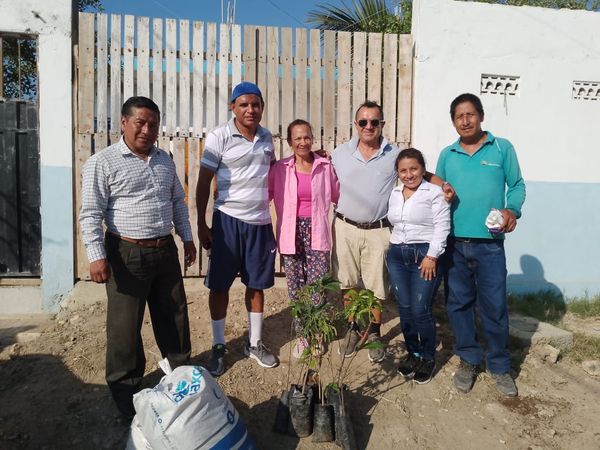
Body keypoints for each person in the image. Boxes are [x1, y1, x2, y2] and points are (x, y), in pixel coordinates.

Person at [79, 96, 196, 420]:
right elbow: (90, 214)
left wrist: (187, 238)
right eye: (140, 123)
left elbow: (177, 201)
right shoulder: (103, 162)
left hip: (164, 251)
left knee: (175, 316)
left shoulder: (164, 160)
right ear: (124, 123)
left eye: (153, 125)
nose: (147, 130)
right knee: (125, 328)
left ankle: (180, 376)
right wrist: (96, 256)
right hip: (125, 253)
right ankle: (126, 394)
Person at [332, 101, 452, 363]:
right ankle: (353, 327)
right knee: (347, 282)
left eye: (374, 122)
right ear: (355, 125)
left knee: (377, 286)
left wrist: (444, 185)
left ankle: (374, 331)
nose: (369, 126)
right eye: (363, 122)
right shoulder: (339, 153)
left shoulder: (393, 154)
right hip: (345, 227)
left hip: (378, 230)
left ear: (382, 124)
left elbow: (421, 173)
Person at [436, 93, 526, 397]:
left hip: (490, 244)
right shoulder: (448, 154)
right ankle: (469, 359)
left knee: (494, 306)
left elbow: (517, 185)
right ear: (453, 122)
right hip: (454, 244)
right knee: (458, 304)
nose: (465, 121)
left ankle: (499, 365)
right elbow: (437, 189)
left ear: (481, 116)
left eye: (470, 114)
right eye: (458, 117)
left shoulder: (501, 148)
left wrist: (511, 210)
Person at [196, 81, 279, 377]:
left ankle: (254, 343)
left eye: (255, 104)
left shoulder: (267, 138)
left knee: (256, 285)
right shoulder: (219, 136)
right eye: (244, 104)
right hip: (228, 221)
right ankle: (219, 346)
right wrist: (201, 223)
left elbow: (276, 173)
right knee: (219, 286)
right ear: (233, 107)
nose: (250, 110)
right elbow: (203, 181)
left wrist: (308, 158)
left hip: (260, 223)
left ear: (262, 107)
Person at [269, 119, 340, 357]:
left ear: (313, 139)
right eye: (297, 138)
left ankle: (316, 332)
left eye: (306, 137)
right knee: (296, 286)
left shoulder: (325, 166)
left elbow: (339, 195)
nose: (303, 142)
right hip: (291, 231)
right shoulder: (280, 168)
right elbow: (265, 195)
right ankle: (302, 334)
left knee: (317, 284)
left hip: (317, 230)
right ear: (290, 142)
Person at [386, 148, 450, 384]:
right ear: (398, 173)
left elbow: (442, 226)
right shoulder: (394, 193)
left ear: (423, 169)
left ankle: (428, 356)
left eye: (414, 169)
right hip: (397, 255)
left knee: (420, 308)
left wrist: (432, 256)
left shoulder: (434, 192)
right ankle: (413, 352)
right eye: (403, 170)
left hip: (424, 255)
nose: (409, 174)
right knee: (404, 308)